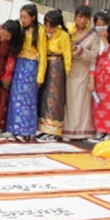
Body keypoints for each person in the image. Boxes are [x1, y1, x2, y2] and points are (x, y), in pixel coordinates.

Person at [6, 4, 47, 142]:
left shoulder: (40, 30)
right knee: (15, 97)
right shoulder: (20, 28)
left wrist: (40, 76)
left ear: (33, 17)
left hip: (31, 66)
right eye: (21, 16)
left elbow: (42, 54)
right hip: (19, 64)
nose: (22, 20)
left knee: (27, 100)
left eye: (25, 17)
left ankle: (26, 130)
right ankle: (14, 128)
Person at [63, 5, 99, 141]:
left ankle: (82, 131)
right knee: (69, 101)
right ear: (75, 17)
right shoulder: (68, 31)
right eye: (80, 17)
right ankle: (67, 130)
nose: (82, 21)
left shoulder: (93, 35)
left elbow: (94, 55)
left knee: (81, 102)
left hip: (83, 71)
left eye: (85, 18)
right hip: (68, 69)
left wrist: (79, 50)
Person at [37, 10, 72, 143]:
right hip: (46, 64)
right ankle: (44, 127)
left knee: (54, 99)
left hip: (57, 66)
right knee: (45, 98)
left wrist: (66, 72)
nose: (47, 28)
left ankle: (53, 130)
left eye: (50, 25)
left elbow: (67, 55)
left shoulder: (63, 35)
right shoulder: (45, 35)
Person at [90, 11, 110, 142]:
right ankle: (100, 129)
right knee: (98, 102)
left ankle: (109, 130)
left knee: (109, 103)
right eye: (98, 25)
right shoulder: (93, 39)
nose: (100, 28)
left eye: (103, 25)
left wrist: (105, 39)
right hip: (98, 73)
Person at [0, 20, 22, 139]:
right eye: (5, 34)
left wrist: (7, 75)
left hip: (2, 69)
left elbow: (11, 59)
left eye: (8, 36)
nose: (5, 37)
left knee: (2, 97)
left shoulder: (11, 44)